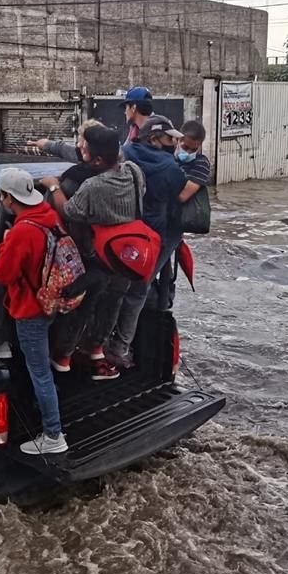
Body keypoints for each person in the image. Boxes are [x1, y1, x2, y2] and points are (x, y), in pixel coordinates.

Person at [0, 167, 68, 455]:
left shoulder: (21, 232)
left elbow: (3, 274)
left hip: (30, 310)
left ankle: (53, 435)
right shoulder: (48, 216)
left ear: (7, 198)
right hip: (51, 301)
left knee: (39, 372)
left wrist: (4, 243)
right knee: (42, 365)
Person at [40, 126, 144, 381]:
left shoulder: (92, 186)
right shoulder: (133, 171)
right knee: (113, 302)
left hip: (98, 260)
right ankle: (96, 349)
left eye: (84, 147)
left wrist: (53, 187)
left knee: (84, 306)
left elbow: (68, 211)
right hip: (127, 256)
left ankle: (63, 357)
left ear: (97, 160)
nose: (80, 148)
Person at [109, 115, 187, 368]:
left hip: (126, 236)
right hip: (158, 239)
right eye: (170, 139)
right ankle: (120, 347)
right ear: (154, 139)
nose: (174, 144)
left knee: (118, 289)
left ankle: (102, 342)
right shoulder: (170, 168)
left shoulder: (125, 154)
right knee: (139, 291)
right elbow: (183, 198)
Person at [26, 119, 103, 163]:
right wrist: (37, 143)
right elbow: (57, 147)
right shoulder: (77, 154)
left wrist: (53, 185)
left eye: (83, 142)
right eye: (79, 142)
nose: (79, 145)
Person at [176, 120, 211, 203]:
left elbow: (182, 197)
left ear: (200, 145)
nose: (188, 153)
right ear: (178, 140)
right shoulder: (168, 157)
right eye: (185, 147)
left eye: (193, 149)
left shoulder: (201, 164)